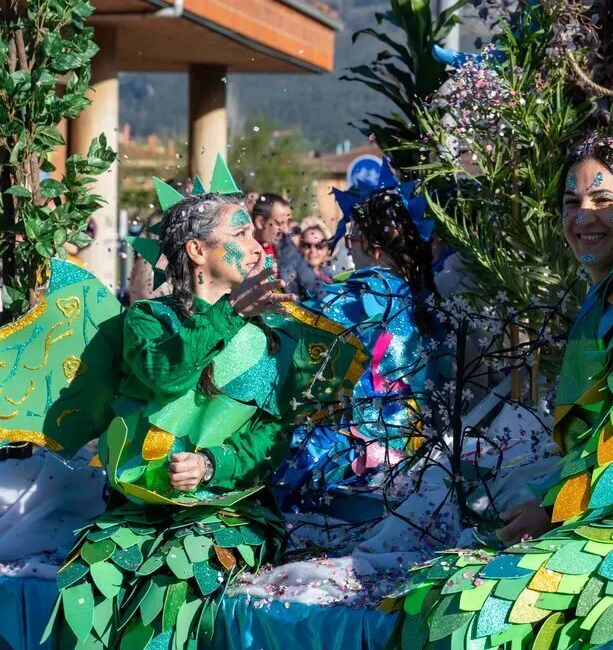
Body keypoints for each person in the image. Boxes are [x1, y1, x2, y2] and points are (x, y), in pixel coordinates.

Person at [382, 136, 613, 649]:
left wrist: (552, 512)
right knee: (440, 588)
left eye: (604, 200)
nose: (584, 215)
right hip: (608, 527)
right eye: (572, 203)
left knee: (462, 613)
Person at [2, 159, 366, 650]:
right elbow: (165, 374)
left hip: (230, 513)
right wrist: (228, 314)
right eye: (239, 233)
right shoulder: (147, 320)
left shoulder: (274, 335)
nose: (257, 244)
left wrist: (212, 463)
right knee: (91, 577)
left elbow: (269, 437)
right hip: (137, 509)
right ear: (197, 250)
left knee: (178, 580)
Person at [274, 188, 438, 513]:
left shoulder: (365, 292)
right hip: (411, 450)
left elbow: (311, 361)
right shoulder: (421, 296)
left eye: (351, 237)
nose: (347, 246)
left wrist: (273, 316)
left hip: (348, 460)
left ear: (374, 249)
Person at [252, 193, 324, 302]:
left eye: (287, 222)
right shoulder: (241, 250)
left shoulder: (286, 247)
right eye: (280, 223)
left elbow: (314, 285)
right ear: (260, 222)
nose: (286, 230)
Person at [297, 218, 334, 285]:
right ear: (300, 248)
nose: (313, 251)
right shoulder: (292, 277)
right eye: (307, 246)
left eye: (319, 246)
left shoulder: (329, 277)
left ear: (326, 249)